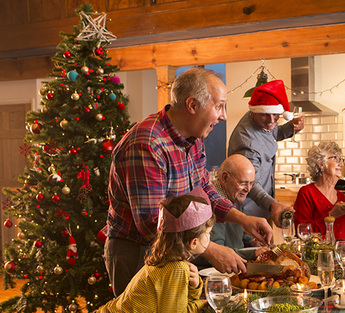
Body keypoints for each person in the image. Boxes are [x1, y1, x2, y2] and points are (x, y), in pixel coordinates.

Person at [101, 67, 273, 296]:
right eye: (219, 106)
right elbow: (152, 224)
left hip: (174, 248)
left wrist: (242, 219)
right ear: (192, 105)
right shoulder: (148, 144)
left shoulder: (194, 138)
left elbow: (203, 190)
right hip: (138, 252)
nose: (223, 115)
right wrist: (210, 250)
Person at [27, 188, 213, 313]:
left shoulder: (164, 258)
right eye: (209, 233)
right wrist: (201, 303)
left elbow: (174, 305)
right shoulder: (176, 268)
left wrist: (195, 286)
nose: (210, 237)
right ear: (193, 242)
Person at [227, 79, 304, 224]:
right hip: (248, 213)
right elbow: (248, 184)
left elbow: (270, 134)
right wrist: (273, 204)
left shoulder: (262, 116)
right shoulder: (247, 142)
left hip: (263, 208)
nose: (271, 120)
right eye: (265, 115)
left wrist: (291, 128)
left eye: (276, 114)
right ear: (254, 112)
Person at [193, 154, 270, 268]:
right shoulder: (211, 206)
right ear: (224, 178)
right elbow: (216, 254)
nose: (248, 189)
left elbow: (233, 238)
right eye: (243, 182)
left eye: (251, 183)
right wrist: (252, 253)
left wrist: (250, 242)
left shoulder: (233, 196)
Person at [294, 141, 345, 242]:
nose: (341, 164)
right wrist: (331, 215)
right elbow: (303, 234)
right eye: (336, 158)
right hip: (319, 255)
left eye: (341, 160)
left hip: (343, 254)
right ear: (321, 164)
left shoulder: (341, 196)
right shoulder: (306, 193)